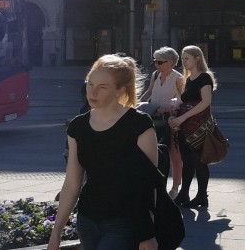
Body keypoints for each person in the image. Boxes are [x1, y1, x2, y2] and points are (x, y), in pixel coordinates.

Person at [49, 54, 160, 250]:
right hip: (87, 221)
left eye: (102, 87)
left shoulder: (139, 124)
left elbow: (148, 185)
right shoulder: (78, 126)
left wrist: (147, 234)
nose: (92, 92)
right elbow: (72, 183)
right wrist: (56, 231)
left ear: (120, 90)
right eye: (90, 84)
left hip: (124, 223)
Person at [168, 45, 218, 209]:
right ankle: (184, 193)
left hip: (199, 126)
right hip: (185, 125)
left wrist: (183, 117)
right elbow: (185, 100)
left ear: (197, 59)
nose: (183, 62)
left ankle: (202, 196)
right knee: (187, 160)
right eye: (182, 58)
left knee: (198, 161)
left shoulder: (204, 78)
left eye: (187, 58)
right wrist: (176, 109)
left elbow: (206, 102)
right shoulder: (189, 79)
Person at [140, 46, 185, 199]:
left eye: (160, 62)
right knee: (153, 151)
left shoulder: (178, 78)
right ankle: (155, 185)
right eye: (155, 61)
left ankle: (175, 187)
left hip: (170, 119)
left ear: (170, 63)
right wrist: (138, 105)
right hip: (154, 117)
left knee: (174, 154)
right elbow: (149, 92)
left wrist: (170, 108)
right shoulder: (155, 75)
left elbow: (182, 100)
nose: (156, 64)